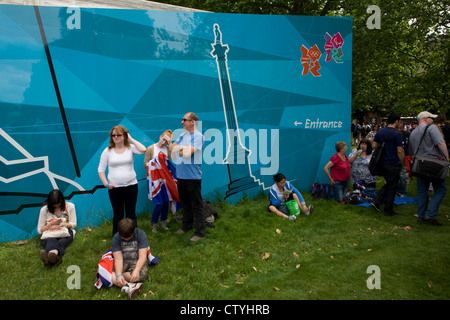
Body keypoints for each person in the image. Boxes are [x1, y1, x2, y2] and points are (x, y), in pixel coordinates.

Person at [98, 125, 147, 236]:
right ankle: (117, 238)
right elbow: (101, 170)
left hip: (131, 186)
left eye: (119, 134)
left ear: (124, 136)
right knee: (118, 215)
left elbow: (143, 149)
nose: (116, 137)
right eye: (113, 135)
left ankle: (134, 237)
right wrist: (106, 184)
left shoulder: (130, 147)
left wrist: (131, 139)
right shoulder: (107, 151)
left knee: (131, 214)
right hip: (115, 189)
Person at [409, 111, 449, 226]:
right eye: (431, 118)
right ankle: (430, 214)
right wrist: (446, 157)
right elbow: (441, 143)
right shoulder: (432, 128)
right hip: (433, 163)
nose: (433, 120)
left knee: (422, 191)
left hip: (419, 164)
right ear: (426, 119)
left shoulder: (413, 132)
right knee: (441, 189)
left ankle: (421, 216)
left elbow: (411, 151)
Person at [171, 112, 205, 242]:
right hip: (181, 176)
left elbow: (187, 154)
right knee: (185, 203)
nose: (182, 122)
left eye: (184, 120)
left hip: (193, 177)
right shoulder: (182, 135)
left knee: (197, 205)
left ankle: (200, 233)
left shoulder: (199, 137)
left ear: (192, 122)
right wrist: (181, 148)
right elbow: (172, 148)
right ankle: (186, 226)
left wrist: (179, 149)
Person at [370, 113, 405, 216]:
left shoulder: (380, 131)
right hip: (392, 162)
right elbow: (400, 151)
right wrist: (403, 163)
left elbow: (374, 145)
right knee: (392, 186)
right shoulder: (397, 134)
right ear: (396, 121)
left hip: (381, 162)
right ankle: (388, 209)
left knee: (390, 183)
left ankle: (378, 201)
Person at [37, 189, 77, 268]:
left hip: (65, 232)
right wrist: (50, 225)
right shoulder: (44, 210)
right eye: (54, 204)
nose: (56, 206)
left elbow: (74, 224)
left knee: (62, 242)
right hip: (49, 234)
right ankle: (56, 258)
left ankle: (49, 261)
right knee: (50, 240)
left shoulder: (70, 206)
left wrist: (62, 224)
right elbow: (39, 230)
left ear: (62, 200)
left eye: (58, 204)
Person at [144, 130, 174, 233]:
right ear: (160, 136)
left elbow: (172, 162)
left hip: (165, 180)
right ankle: (154, 223)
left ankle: (163, 222)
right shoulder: (151, 149)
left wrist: (170, 145)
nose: (163, 142)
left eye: (166, 141)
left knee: (166, 202)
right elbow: (145, 164)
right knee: (159, 203)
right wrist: (155, 163)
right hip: (155, 181)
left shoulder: (167, 149)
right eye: (163, 139)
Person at [111, 218, 149, 299]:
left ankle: (125, 284)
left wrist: (136, 270)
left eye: (128, 237)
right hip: (123, 260)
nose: (126, 239)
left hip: (136, 260)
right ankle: (131, 286)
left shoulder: (141, 234)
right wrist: (118, 275)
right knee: (112, 276)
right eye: (123, 238)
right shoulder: (116, 237)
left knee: (141, 275)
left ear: (134, 231)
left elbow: (143, 257)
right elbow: (118, 259)